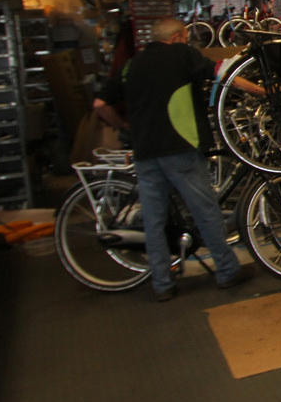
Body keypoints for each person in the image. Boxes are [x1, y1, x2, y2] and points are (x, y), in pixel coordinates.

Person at [93, 16, 265, 302]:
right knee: (205, 212)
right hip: (180, 147)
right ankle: (227, 271)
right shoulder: (182, 54)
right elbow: (225, 74)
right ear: (176, 38)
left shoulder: (131, 65)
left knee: (154, 220)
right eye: (185, 38)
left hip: (145, 152)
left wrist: (122, 126)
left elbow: (100, 104)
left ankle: (162, 284)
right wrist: (264, 91)